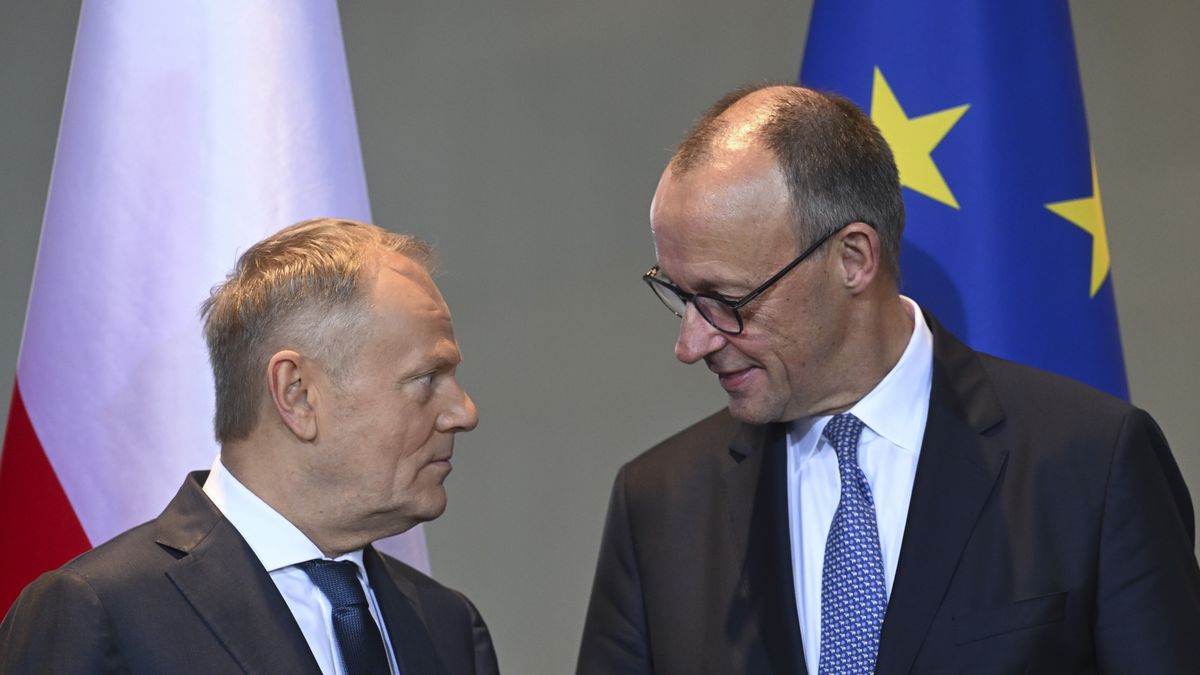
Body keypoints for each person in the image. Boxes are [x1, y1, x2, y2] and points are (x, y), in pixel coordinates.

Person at [577, 85, 1200, 674]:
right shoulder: (657, 505)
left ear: (853, 258)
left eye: (724, 299)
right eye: (679, 295)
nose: (691, 343)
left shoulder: (1091, 465)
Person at [0, 218, 499, 674]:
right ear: (297, 394)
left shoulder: (450, 626)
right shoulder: (102, 613)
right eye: (427, 378)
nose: (464, 412)